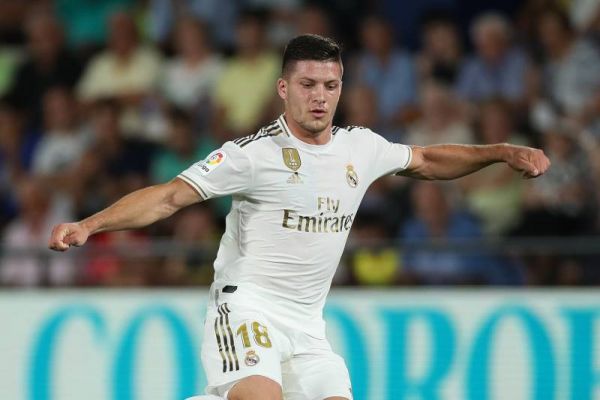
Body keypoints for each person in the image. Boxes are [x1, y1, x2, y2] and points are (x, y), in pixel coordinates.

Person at [49, 34, 550, 400]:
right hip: (245, 308)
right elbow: (169, 198)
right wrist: (89, 225)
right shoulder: (252, 154)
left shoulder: (361, 148)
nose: (320, 96)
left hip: (308, 325)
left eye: (330, 85)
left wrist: (499, 151)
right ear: (283, 88)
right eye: (308, 84)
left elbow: (428, 160)